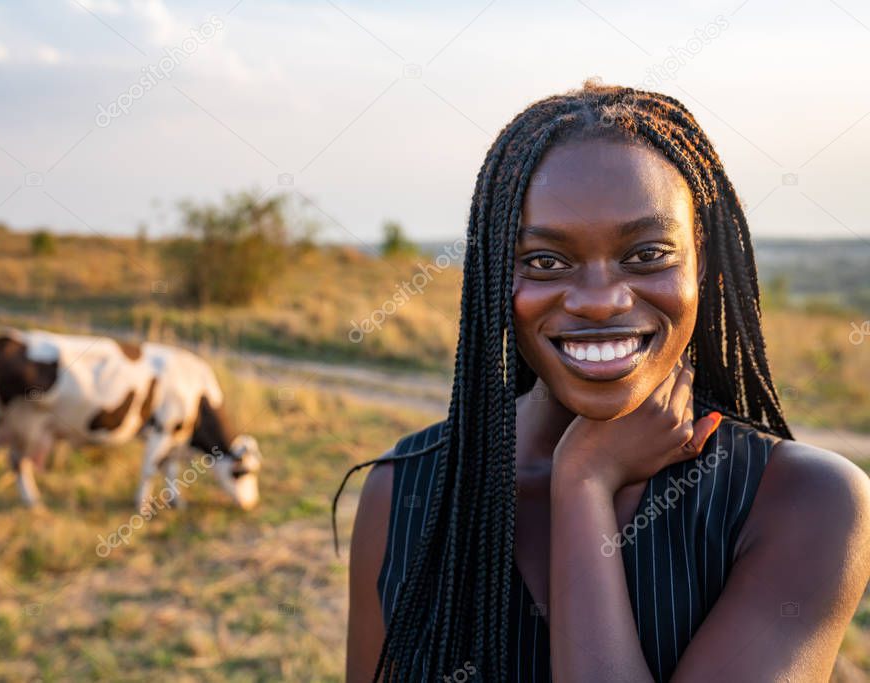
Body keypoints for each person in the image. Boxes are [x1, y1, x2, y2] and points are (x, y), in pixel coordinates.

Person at [338, 81, 870, 681]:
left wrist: (584, 482)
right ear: (494, 279)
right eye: (544, 261)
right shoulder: (406, 492)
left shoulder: (806, 502)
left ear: (705, 264)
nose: (599, 301)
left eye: (647, 254)